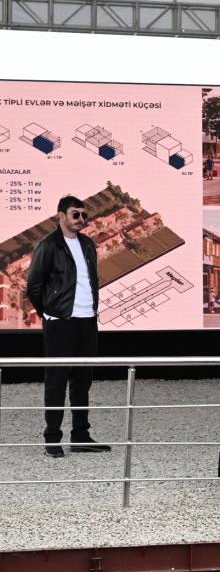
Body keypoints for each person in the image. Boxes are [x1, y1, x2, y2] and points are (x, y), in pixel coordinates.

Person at [25, 196, 111, 458]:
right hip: (61, 322)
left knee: (82, 381)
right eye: (75, 214)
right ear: (61, 216)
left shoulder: (87, 244)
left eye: (84, 215)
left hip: (88, 320)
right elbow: (33, 286)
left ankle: (80, 435)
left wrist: (89, 312)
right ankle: (52, 438)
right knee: (56, 381)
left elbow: (89, 281)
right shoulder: (48, 245)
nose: (81, 219)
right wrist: (50, 313)